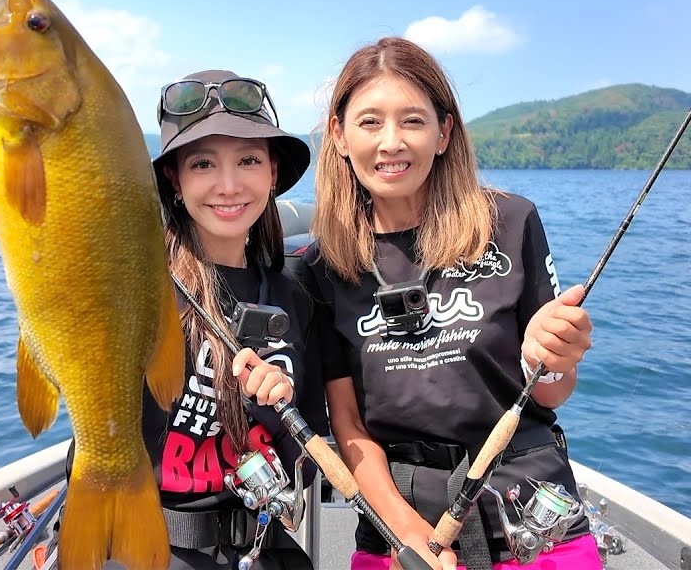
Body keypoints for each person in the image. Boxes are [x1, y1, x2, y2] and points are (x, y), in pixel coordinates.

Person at [297, 38, 601, 570]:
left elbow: (553, 394)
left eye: (412, 120)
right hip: (398, 523)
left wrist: (547, 358)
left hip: (527, 511)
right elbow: (346, 422)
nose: (391, 142)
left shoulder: (510, 222)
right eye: (370, 122)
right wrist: (404, 530)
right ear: (339, 136)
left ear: (444, 133)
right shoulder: (322, 267)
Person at [70, 69, 330, 569]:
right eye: (204, 163)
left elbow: (305, 448)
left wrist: (280, 403)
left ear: (273, 171)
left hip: (260, 543)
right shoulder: (129, 282)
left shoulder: (294, 298)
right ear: (175, 177)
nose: (228, 185)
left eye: (249, 160)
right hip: (143, 545)